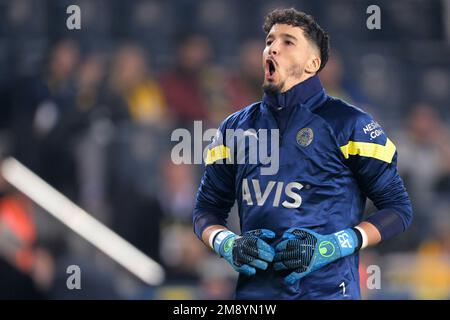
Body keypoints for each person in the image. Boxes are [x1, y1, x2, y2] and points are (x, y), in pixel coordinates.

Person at [193, 8, 412, 300]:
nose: (272, 47)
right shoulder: (234, 129)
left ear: (313, 63)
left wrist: (335, 245)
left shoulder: (350, 124)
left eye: (288, 42)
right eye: (270, 40)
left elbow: (398, 209)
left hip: (330, 293)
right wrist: (227, 243)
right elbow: (206, 211)